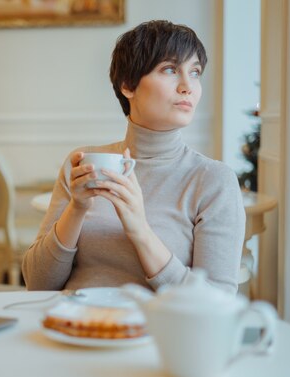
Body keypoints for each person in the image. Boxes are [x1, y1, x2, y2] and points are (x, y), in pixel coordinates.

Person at [22, 20, 245, 294]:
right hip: (73, 325)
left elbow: (216, 302)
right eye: (171, 69)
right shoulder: (83, 163)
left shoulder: (213, 180)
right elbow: (37, 283)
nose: (188, 86)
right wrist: (77, 209)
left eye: (195, 72)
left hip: (155, 334)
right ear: (128, 85)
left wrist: (139, 229)